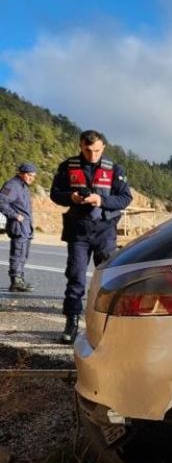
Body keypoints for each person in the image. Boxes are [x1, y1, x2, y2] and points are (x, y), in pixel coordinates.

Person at [50, 130, 132, 344]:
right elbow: (55, 193)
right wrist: (71, 197)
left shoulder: (114, 169)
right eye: (88, 150)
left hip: (105, 230)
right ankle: (72, 321)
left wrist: (100, 200)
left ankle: (107, 325)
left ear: (103, 147)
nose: (93, 155)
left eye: (97, 150)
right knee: (76, 276)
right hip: (78, 230)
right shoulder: (68, 167)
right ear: (80, 146)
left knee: (108, 280)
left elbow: (124, 198)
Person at [0, 162, 38, 292]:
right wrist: (14, 215)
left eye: (33, 176)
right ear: (21, 173)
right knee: (18, 253)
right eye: (29, 175)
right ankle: (15, 280)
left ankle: (20, 279)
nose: (31, 178)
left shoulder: (23, 186)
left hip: (25, 226)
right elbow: (1, 201)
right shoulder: (12, 185)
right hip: (18, 225)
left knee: (23, 254)